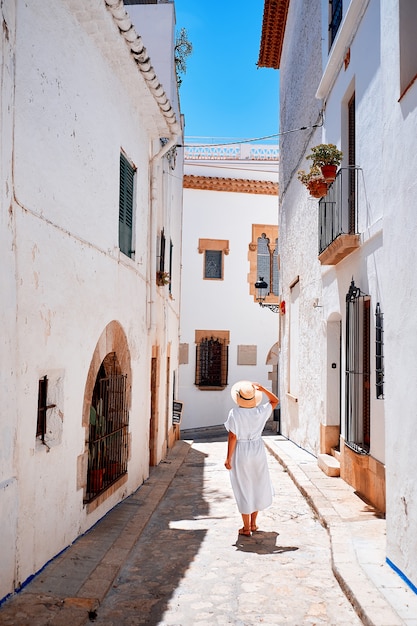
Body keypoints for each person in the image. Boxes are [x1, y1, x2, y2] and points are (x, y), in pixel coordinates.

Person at [224, 380, 279, 536]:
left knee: (243, 486)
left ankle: (246, 527)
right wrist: (262, 389)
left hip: (241, 451)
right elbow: (275, 400)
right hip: (257, 450)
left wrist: (228, 458)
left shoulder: (234, 413)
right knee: (257, 484)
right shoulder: (260, 411)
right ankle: (253, 524)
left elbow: (233, 436)